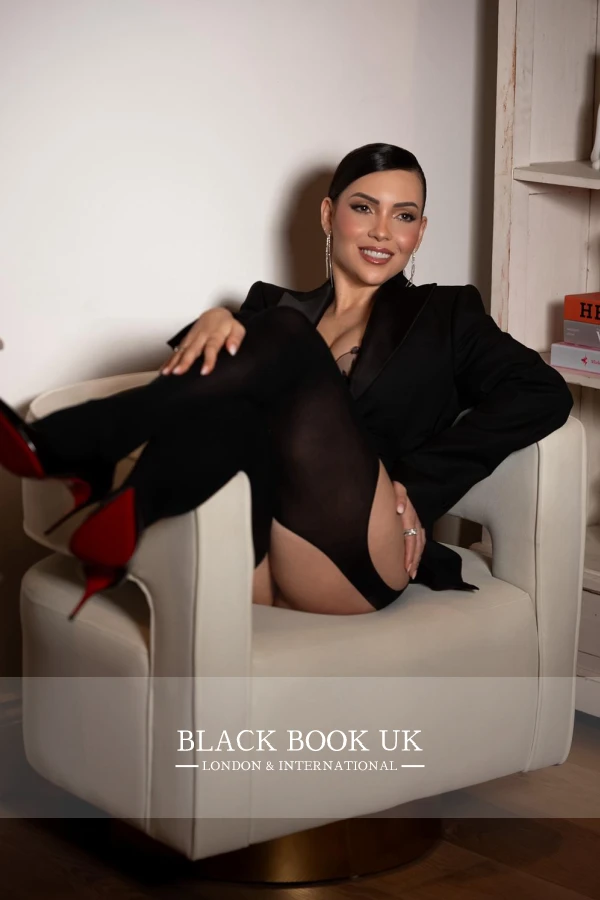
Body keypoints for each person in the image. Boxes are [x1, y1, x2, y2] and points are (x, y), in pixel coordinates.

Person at [0, 143, 573, 621]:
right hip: (255, 552)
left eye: (403, 216)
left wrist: (419, 484)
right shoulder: (268, 307)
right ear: (328, 215)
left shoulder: (446, 316)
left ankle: (78, 445)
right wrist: (216, 322)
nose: (382, 231)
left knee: (282, 331)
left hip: (358, 557)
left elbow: (544, 393)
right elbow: (205, 406)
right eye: (363, 208)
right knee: (243, 387)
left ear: (420, 232)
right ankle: (133, 501)